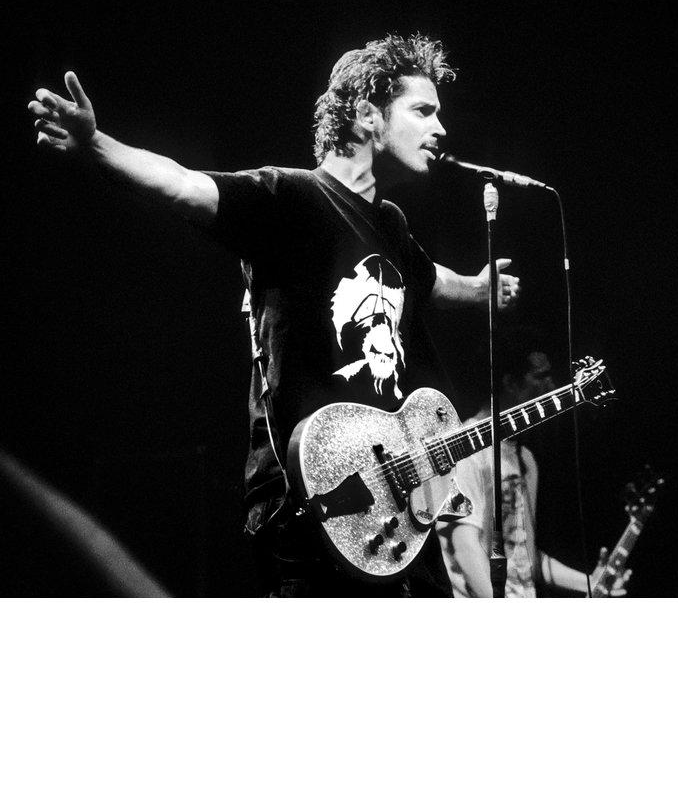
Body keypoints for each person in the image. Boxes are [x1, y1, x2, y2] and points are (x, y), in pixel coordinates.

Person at [28, 34, 521, 597]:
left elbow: (435, 282)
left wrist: (482, 289)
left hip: (397, 508)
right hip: (311, 496)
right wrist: (98, 146)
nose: (441, 128)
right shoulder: (291, 197)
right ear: (365, 115)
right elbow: (183, 185)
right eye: (423, 110)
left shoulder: (391, 225)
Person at [436, 341, 631, 597]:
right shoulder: (466, 449)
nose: (551, 386)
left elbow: (526, 558)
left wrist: (590, 582)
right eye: (541, 376)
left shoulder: (525, 459)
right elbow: (465, 547)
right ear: (510, 382)